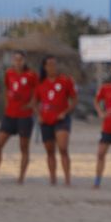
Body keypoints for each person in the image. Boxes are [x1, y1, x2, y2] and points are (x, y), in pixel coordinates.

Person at [0, 50, 39, 184]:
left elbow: (37, 92)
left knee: (24, 147)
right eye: (15, 59)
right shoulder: (9, 73)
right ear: (12, 60)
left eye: (20, 59)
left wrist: (31, 104)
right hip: (10, 115)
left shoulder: (31, 75)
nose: (18, 62)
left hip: (25, 116)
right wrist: (7, 104)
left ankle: (21, 178)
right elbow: (7, 88)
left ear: (24, 61)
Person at [36, 56, 77, 186]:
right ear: (45, 67)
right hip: (46, 119)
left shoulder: (65, 80)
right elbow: (34, 102)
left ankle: (67, 179)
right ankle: (52, 178)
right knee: (50, 151)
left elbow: (74, 99)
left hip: (61, 119)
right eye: (49, 64)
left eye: (54, 64)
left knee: (63, 148)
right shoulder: (41, 83)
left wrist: (65, 112)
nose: (52, 67)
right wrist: (39, 115)